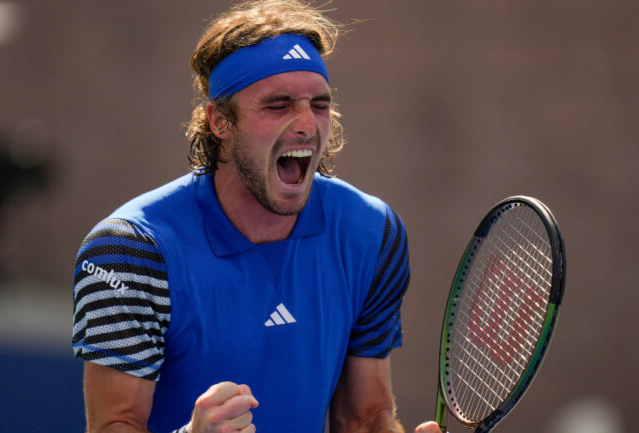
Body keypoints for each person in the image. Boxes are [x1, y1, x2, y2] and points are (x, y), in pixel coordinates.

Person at [72, 1, 441, 432]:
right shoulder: (130, 250)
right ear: (220, 121)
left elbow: (364, 418)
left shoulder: (372, 234)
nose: (307, 125)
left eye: (319, 105)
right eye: (278, 105)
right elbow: (113, 424)